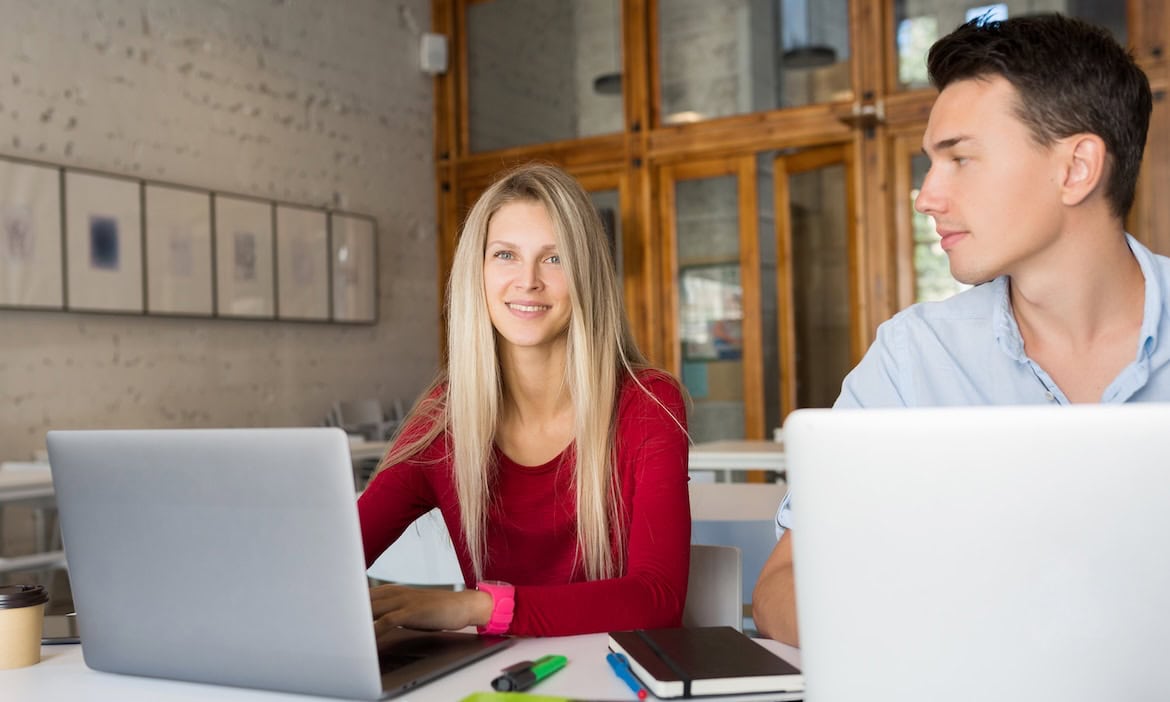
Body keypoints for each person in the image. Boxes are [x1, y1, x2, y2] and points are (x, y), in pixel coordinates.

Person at [753, 13, 1170, 647]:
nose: (926, 196)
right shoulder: (912, 358)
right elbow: (780, 590)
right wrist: (956, 627)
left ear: (1076, 168)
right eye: (931, 163)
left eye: (961, 159)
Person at [358, 163, 691, 640]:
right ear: (478, 270)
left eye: (554, 259)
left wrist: (472, 607)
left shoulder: (647, 404)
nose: (528, 280)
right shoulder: (444, 417)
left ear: (587, 276)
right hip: (493, 685)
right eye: (506, 255)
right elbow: (336, 555)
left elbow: (657, 601)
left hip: (616, 675)